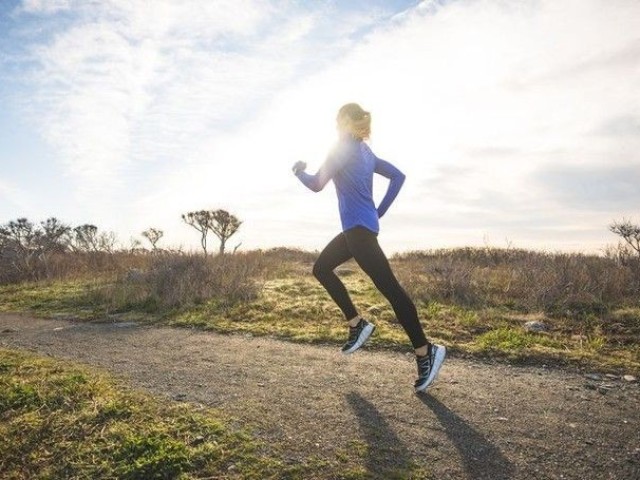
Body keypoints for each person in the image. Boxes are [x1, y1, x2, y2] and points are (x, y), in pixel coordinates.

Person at [292, 102, 446, 392]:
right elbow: (398, 176)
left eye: (337, 121)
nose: (335, 127)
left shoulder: (341, 149)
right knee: (321, 268)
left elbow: (316, 184)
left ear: (344, 122)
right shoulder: (366, 152)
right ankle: (356, 324)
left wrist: (299, 171)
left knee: (391, 290)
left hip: (358, 231)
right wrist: (379, 211)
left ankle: (426, 351)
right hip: (361, 228)